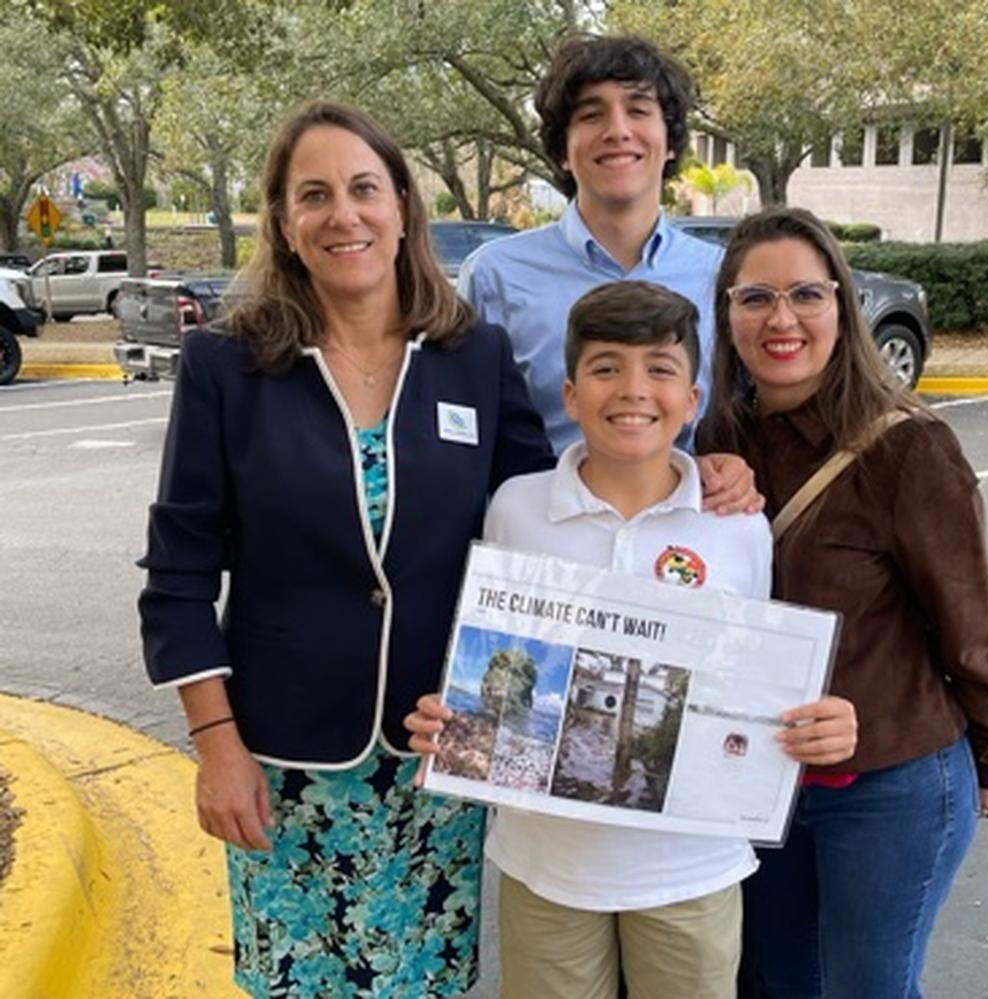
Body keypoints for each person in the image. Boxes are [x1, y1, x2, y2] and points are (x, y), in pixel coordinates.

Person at [137, 101, 553, 998]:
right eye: (314, 195)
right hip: (281, 769)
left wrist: (692, 476)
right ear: (285, 225)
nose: (344, 214)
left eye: (366, 188)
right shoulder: (226, 365)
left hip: (439, 757)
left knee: (425, 982)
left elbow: (539, 528)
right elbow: (176, 577)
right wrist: (216, 746)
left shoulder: (472, 358)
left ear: (403, 206)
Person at [406, 280, 857, 999]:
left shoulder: (737, 527)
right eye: (606, 367)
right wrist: (456, 717)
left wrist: (815, 723)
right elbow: (493, 660)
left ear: (694, 397)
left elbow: (755, 686)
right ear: (571, 394)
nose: (633, 389)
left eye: (660, 368)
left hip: (692, 868)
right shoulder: (517, 508)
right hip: (546, 865)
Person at [698, 207, 988, 999]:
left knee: (866, 988)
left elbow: (970, 625)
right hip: (761, 783)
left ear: (842, 307)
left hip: (890, 781)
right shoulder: (716, 443)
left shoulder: (907, 447)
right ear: (727, 315)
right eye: (755, 298)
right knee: (780, 983)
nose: (782, 318)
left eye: (806, 294)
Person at [458, 35, 725, 458]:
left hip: (685, 517)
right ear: (562, 149)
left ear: (671, 142)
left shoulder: (721, 276)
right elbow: (465, 427)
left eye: (638, 110)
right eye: (591, 115)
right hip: (533, 518)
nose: (618, 131)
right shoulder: (495, 276)